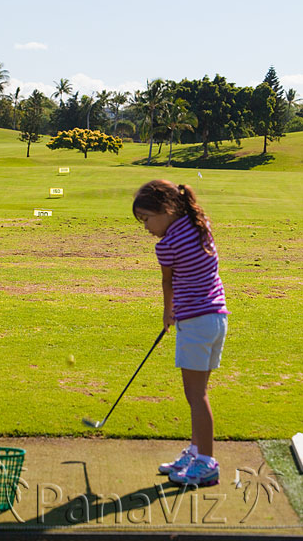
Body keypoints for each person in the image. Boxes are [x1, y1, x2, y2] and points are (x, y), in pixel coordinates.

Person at [133, 179, 228, 486]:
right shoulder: (200, 223)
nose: (146, 227)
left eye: (147, 219)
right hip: (216, 319)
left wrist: (167, 312)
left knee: (196, 395)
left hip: (196, 324)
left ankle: (206, 463)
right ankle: (195, 451)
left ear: (165, 209)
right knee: (198, 393)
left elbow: (168, 283)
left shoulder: (167, 245)